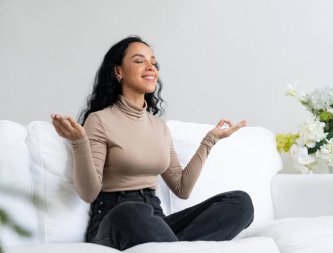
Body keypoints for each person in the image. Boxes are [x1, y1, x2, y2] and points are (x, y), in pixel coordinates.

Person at [50, 35, 254, 251]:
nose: (150, 67)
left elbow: (182, 188)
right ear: (118, 71)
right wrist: (79, 143)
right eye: (139, 61)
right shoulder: (100, 120)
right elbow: (89, 193)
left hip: (156, 222)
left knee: (240, 203)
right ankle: (174, 247)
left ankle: (168, 248)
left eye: (153, 62)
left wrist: (210, 140)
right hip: (115, 219)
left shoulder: (159, 127)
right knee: (132, 211)